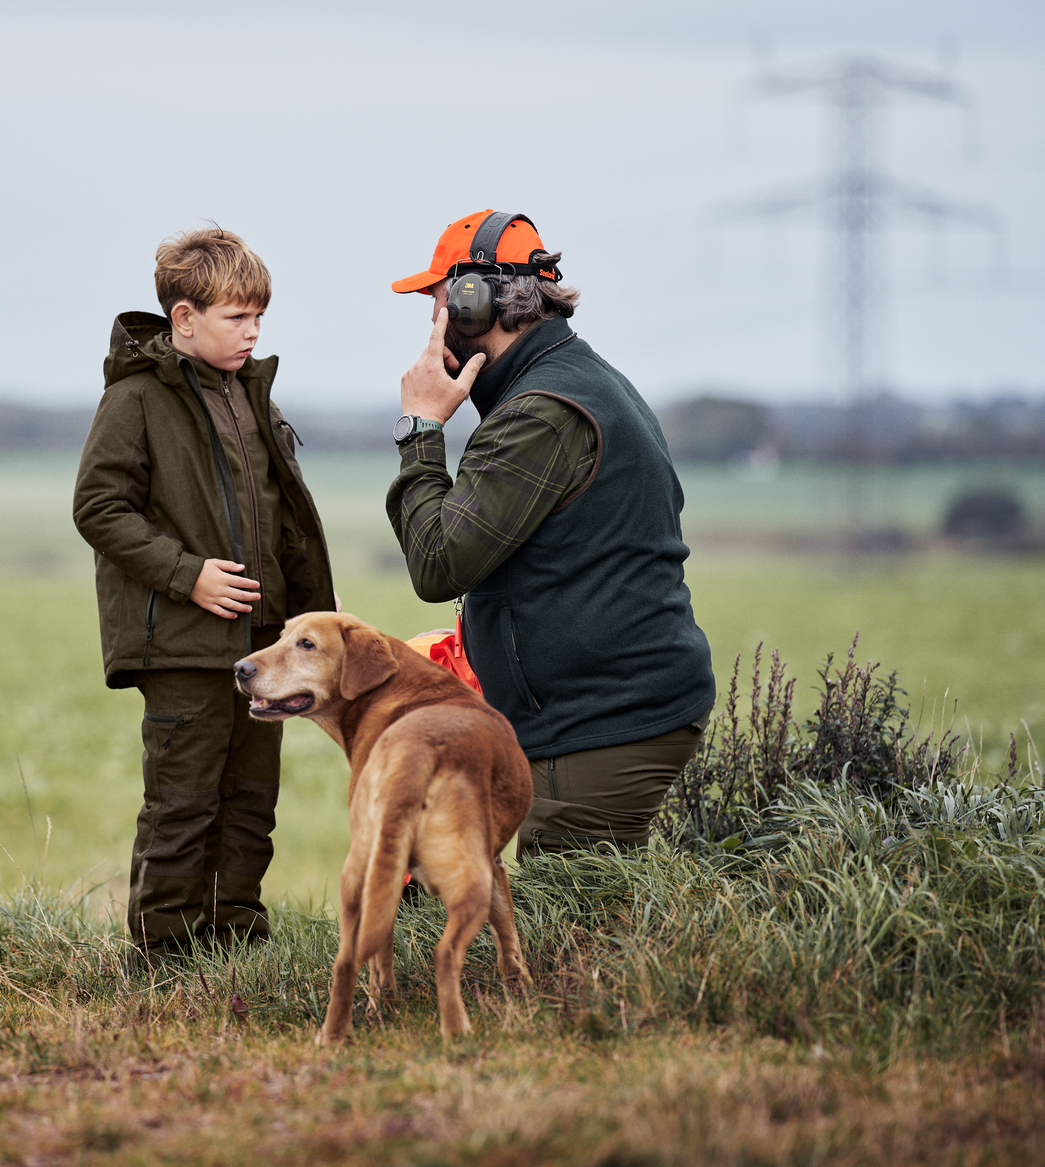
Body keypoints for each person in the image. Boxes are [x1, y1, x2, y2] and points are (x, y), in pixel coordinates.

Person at [385, 210, 714, 857]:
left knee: (578, 945)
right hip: (615, 718)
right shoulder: (572, 384)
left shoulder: (539, 414)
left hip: (599, 732)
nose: (432, 326)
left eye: (438, 303)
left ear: (478, 303)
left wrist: (420, 428)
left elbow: (438, 563)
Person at [73, 227, 335, 960]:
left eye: (259, 316)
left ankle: (236, 945)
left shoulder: (253, 397)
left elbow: (285, 522)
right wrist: (188, 573)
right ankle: (162, 957)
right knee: (182, 805)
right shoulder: (134, 399)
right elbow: (97, 507)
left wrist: (309, 621)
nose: (252, 331)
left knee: (251, 800)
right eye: (235, 316)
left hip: (264, 648)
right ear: (183, 318)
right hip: (182, 646)